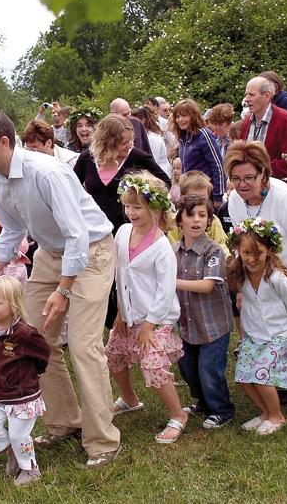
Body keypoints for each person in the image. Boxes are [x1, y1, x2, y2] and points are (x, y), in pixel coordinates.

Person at [0, 108, 121, 469]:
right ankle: (65, 421)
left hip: (91, 252)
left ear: (4, 142)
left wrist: (63, 290)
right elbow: (12, 232)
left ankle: (103, 441)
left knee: (83, 344)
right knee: (33, 337)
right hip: (52, 254)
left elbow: (77, 235)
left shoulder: (47, 172)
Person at [225, 141, 287, 392]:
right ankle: (276, 383)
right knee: (267, 328)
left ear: (263, 173)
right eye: (235, 178)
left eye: (249, 177)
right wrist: (242, 288)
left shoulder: (282, 196)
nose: (242, 185)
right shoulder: (236, 200)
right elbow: (241, 245)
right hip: (260, 272)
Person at [106, 173, 187, 444]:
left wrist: (150, 325)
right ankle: (130, 399)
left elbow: (165, 291)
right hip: (128, 313)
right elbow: (121, 276)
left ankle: (178, 414)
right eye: (127, 206)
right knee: (114, 355)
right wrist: (120, 311)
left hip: (156, 317)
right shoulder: (123, 232)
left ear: (155, 207)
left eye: (137, 207)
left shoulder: (161, 247)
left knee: (152, 364)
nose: (131, 212)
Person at [73, 114, 170, 327]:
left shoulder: (137, 158)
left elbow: (165, 183)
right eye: (124, 142)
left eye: (130, 140)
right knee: (98, 278)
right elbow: (71, 186)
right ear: (108, 141)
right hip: (96, 232)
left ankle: (133, 318)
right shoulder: (87, 158)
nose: (129, 145)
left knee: (123, 277)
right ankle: (107, 321)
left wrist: (140, 190)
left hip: (128, 230)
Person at [227, 218, 287, 435]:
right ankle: (265, 412)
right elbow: (241, 295)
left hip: (278, 332)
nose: (251, 259)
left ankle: (277, 415)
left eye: (257, 252)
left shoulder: (276, 278)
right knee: (243, 376)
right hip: (254, 333)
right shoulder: (241, 275)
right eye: (246, 253)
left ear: (269, 250)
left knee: (262, 375)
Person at [0, 275, 51, 487]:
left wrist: (32, 374)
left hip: (21, 397)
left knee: (20, 435)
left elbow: (43, 354)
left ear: (13, 305)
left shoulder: (25, 334)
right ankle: (12, 452)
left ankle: (30, 469)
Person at [174, 194, 235, 429]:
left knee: (210, 370)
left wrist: (173, 281)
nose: (197, 220)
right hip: (189, 323)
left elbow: (207, 286)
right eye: (191, 215)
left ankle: (222, 409)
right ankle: (203, 403)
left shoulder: (213, 251)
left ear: (209, 220)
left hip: (213, 325)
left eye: (203, 215)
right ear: (179, 220)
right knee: (188, 367)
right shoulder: (174, 251)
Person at [239, 77, 287, 179]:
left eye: (251, 94)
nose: (246, 99)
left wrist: (262, 169)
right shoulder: (247, 122)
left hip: (277, 187)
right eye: (246, 94)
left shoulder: (285, 120)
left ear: (267, 96)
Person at [170, 99, 226, 205]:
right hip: (189, 194)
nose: (180, 120)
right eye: (177, 117)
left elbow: (217, 165)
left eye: (184, 116)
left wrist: (218, 195)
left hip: (205, 193)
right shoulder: (183, 137)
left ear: (193, 116)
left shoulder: (203, 135)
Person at [132, 105, 172, 178]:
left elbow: (153, 161)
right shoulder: (144, 136)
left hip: (160, 176)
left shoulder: (152, 138)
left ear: (143, 120)